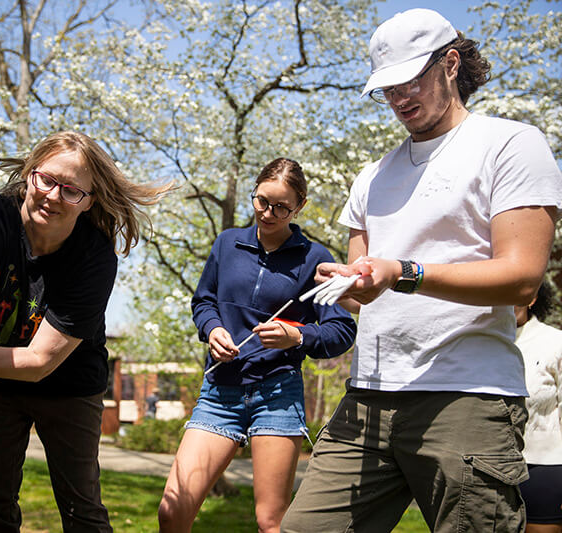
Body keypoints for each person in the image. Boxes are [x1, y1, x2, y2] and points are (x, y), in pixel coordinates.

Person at [281, 8, 562, 533]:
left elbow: (522, 276)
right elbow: (366, 289)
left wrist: (402, 271)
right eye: (386, 88)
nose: (399, 99)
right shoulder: (371, 176)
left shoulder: (510, 144)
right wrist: (351, 282)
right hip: (369, 396)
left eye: (410, 80)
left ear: (450, 64)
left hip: (467, 396)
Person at [0, 131, 172, 532]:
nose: (52, 195)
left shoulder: (94, 255)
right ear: (29, 173)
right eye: (45, 179)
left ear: (89, 202)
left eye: (70, 190)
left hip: (69, 387)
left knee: (82, 507)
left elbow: (39, 361)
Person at [158, 158, 357, 532]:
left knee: (271, 523)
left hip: (277, 395)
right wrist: (212, 328)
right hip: (220, 393)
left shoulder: (314, 259)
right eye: (262, 201)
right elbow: (204, 301)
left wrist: (296, 336)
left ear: (300, 207)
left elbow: (342, 330)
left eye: (282, 207)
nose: (268, 213)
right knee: (172, 511)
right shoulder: (227, 244)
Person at [515, 281, 562, 533]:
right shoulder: (476, 347)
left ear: (531, 298)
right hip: (485, 467)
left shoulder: (555, 343)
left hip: (544, 467)